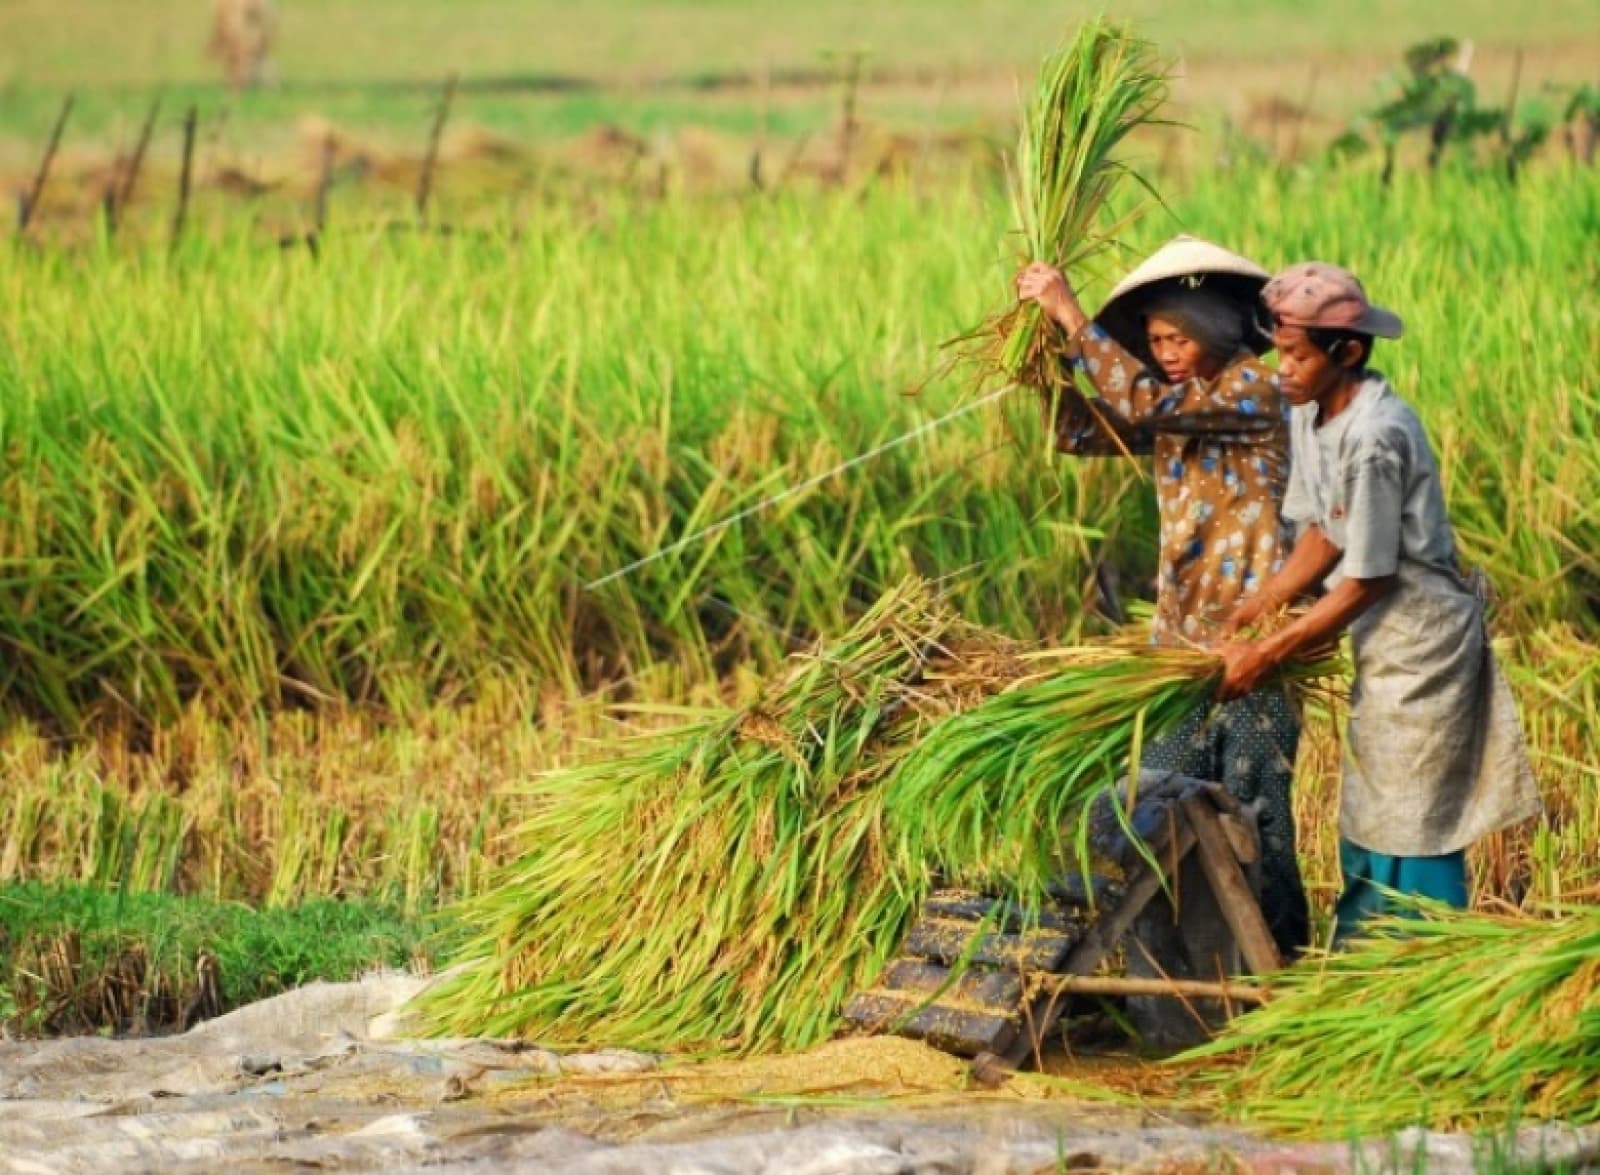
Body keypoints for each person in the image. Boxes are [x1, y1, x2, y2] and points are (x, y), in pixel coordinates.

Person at [1216, 261, 1541, 942]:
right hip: (1376, 633)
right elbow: (1324, 532)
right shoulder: (1310, 410)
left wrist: (1270, 650)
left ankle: (1422, 957)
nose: (1283, 368)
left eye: (1299, 355)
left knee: (1415, 806)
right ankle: (1367, 955)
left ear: (1349, 353)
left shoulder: (1377, 437)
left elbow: (1369, 576)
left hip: (1422, 641)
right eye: (1280, 350)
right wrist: (1263, 602)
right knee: (1370, 796)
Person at [1018, 236, 1310, 959]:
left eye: (1179, 336)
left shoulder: (1251, 390)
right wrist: (1040, 361)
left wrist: (1069, 312)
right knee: (1174, 811)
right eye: (1154, 341)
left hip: (1254, 646)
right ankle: (1200, 976)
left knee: (1256, 813)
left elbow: (1139, 399)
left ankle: (1281, 968)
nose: (1167, 350)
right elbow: (1085, 428)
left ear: (1213, 330)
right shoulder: (1177, 414)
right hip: (1181, 648)